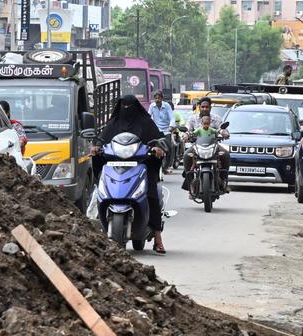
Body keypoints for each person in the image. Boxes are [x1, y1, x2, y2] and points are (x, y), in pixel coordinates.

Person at [90, 94, 168, 254]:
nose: (127, 109)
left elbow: (159, 138)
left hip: (141, 164)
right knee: (98, 191)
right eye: (124, 106)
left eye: (130, 106)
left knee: (151, 194)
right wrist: (97, 146)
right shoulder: (114, 123)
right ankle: (97, 225)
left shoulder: (145, 122)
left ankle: (158, 238)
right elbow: (102, 138)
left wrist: (158, 146)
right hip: (115, 165)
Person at [182, 96, 230, 193]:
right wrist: (186, 135)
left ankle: (223, 181)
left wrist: (225, 133)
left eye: (207, 107)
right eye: (203, 107)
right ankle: (191, 183)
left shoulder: (216, 118)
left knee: (225, 154)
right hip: (196, 147)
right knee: (186, 156)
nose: (204, 109)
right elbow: (187, 129)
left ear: (210, 108)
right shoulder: (192, 119)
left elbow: (222, 129)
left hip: (214, 146)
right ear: (199, 107)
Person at [148, 91, 175, 174]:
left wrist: (171, 126)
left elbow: (172, 118)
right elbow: (148, 116)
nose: (157, 100)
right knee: (150, 148)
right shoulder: (152, 106)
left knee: (169, 149)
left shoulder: (167, 106)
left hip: (166, 130)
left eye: (159, 98)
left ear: (162, 98)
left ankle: (166, 167)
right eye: (155, 98)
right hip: (156, 130)